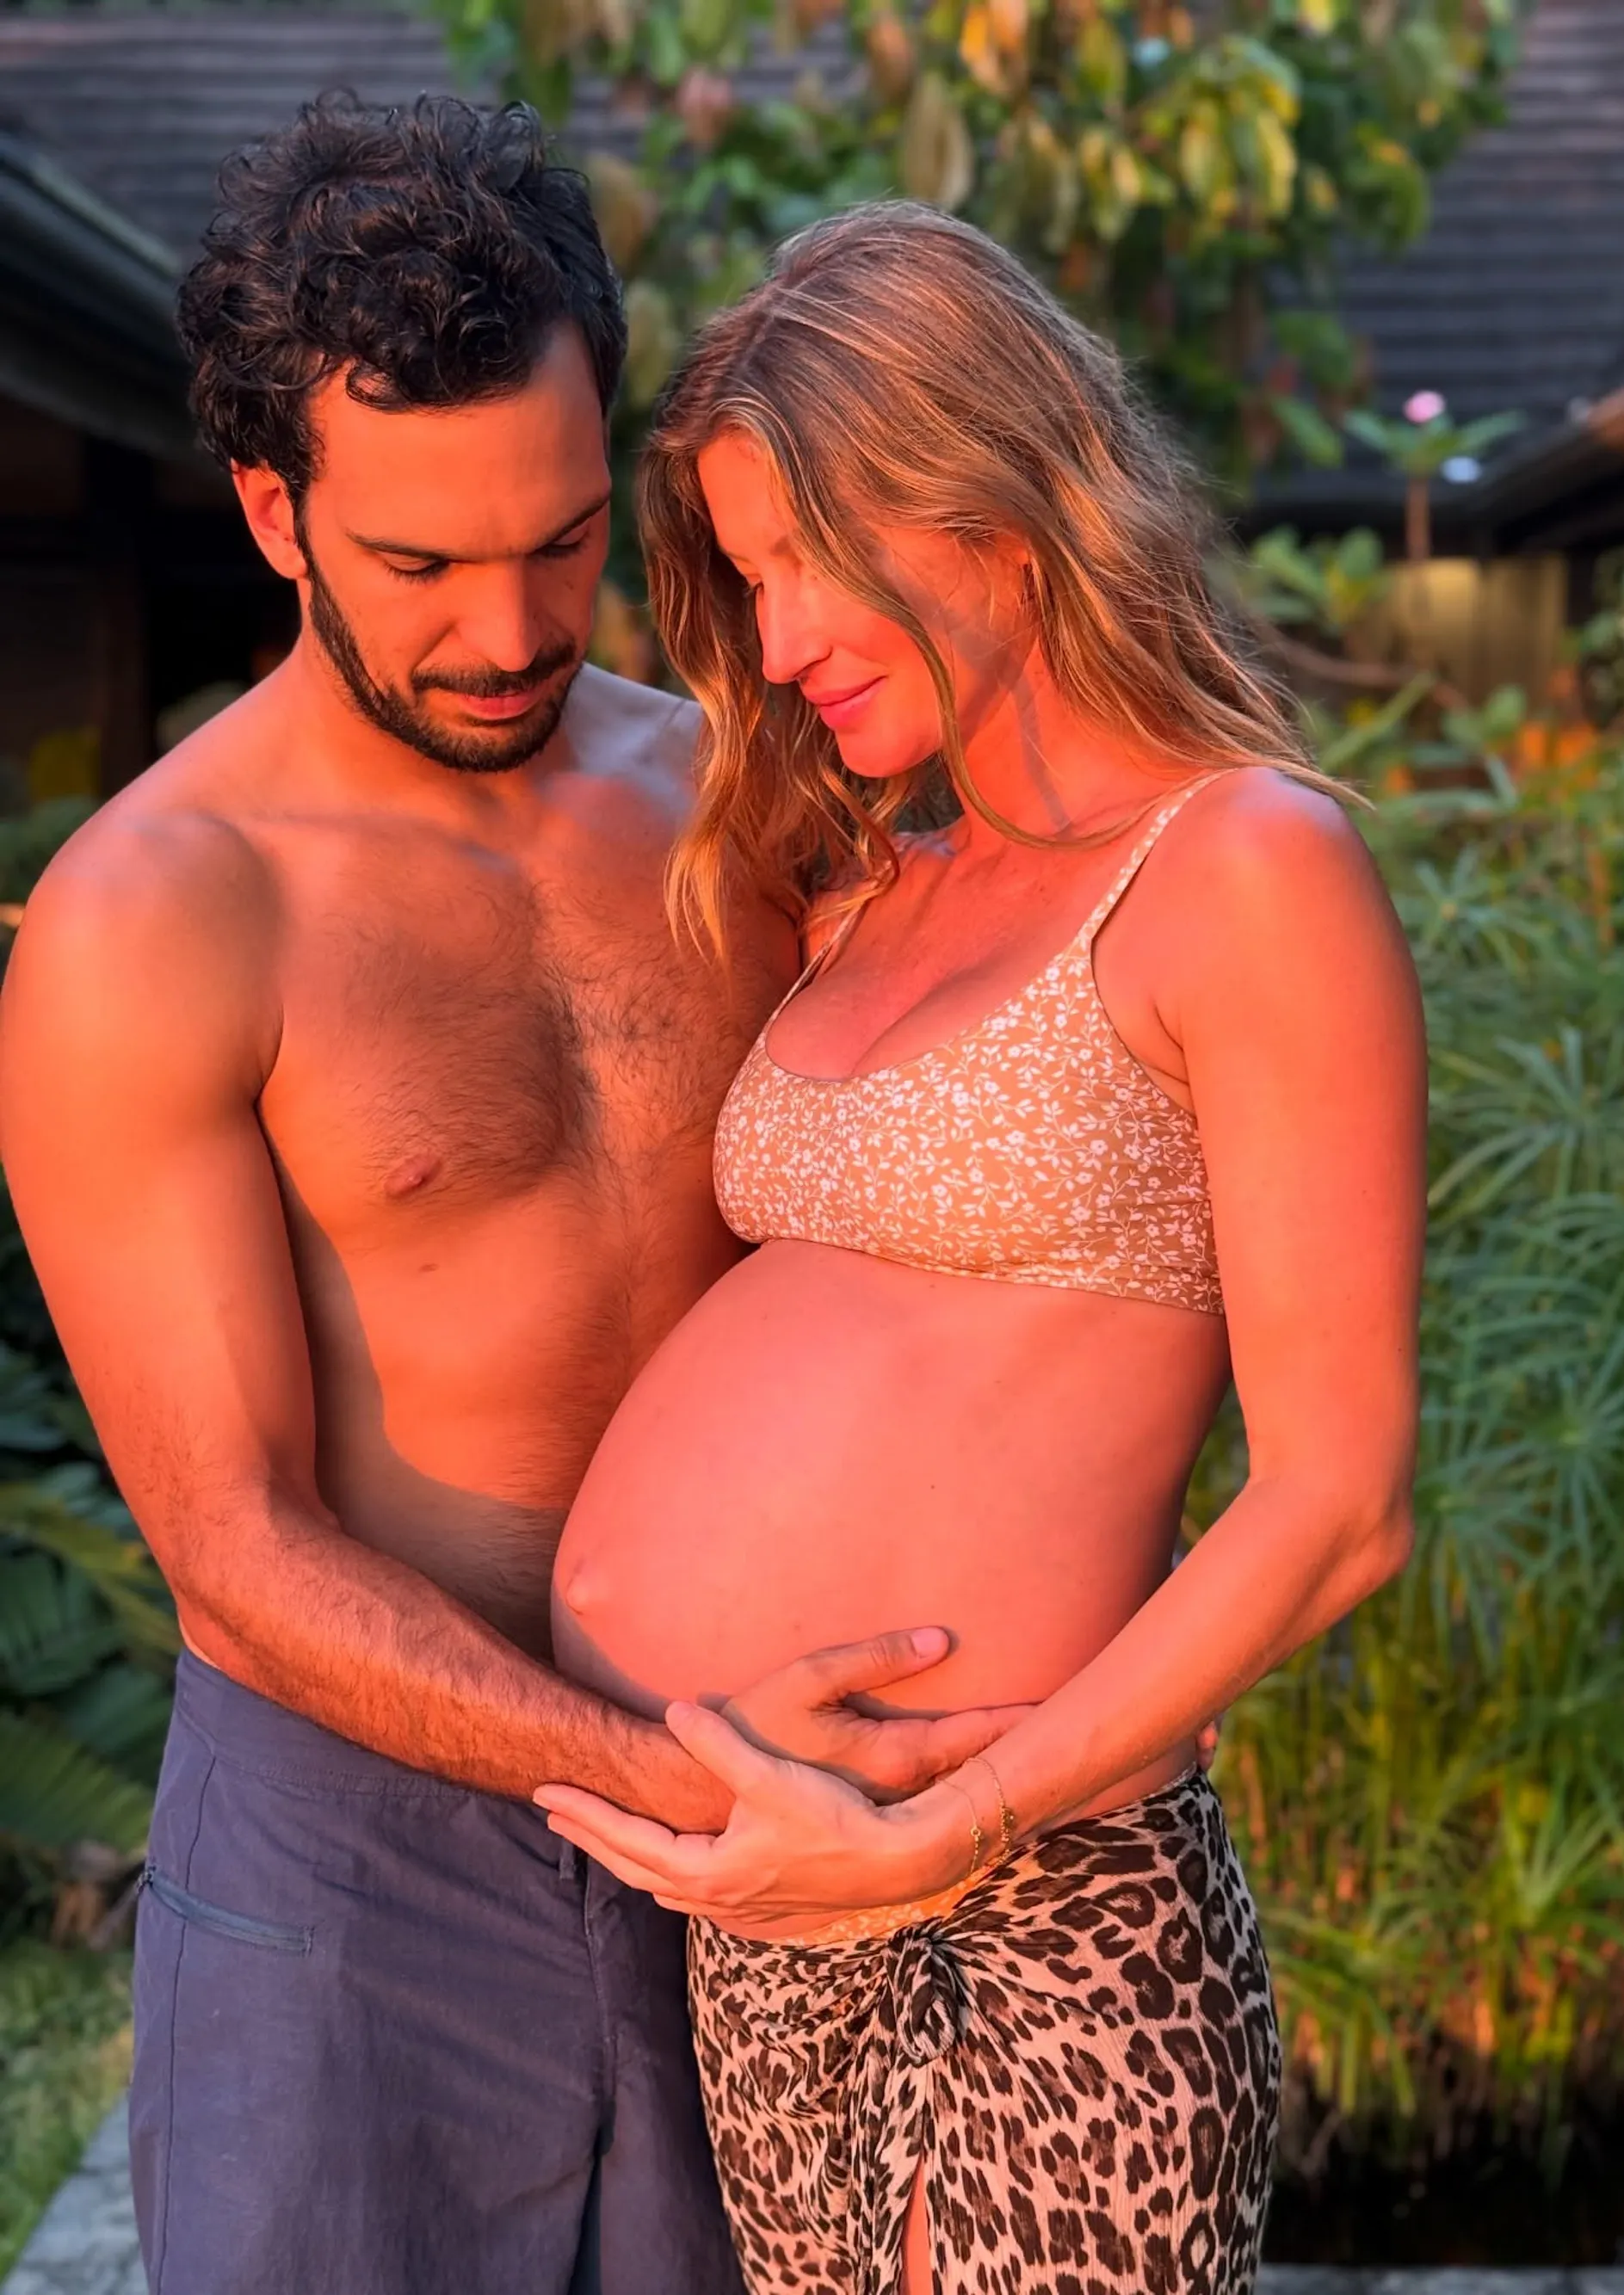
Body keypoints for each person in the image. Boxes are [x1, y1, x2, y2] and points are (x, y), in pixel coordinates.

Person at [0, 109, 1022, 2295]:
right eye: (421, 566)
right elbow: (234, 1546)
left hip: (762, 1809)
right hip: (355, 1852)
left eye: (560, 546)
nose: (505, 628)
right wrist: (654, 1768)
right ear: (273, 510)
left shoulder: (743, 805)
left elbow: (987, 1206)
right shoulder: (154, 920)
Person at [538, 202, 1428, 2295]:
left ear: (992, 507)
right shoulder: (867, 891)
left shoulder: (1244, 870)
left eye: (806, 563)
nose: (766, 644)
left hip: (1036, 1895)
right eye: (742, 577)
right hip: (765, 1904)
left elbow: (1341, 1499)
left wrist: (957, 1822)